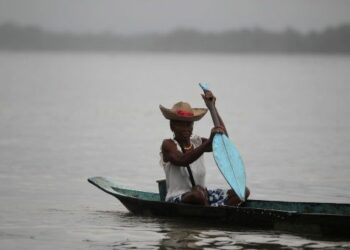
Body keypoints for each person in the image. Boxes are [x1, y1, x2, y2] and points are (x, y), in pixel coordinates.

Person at [159, 90, 250, 206]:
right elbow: (182, 160)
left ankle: (216, 212)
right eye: (181, 124)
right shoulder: (168, 144)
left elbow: (224, 143)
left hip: (203, 196)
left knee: (243, 191)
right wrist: (207, 144)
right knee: (197, 195)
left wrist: (212, 107)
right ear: (172, 126)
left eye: (189, 124)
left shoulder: (197, 142)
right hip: (178, 198)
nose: (186, 128)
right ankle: (214, 212)